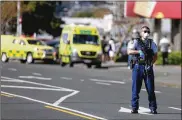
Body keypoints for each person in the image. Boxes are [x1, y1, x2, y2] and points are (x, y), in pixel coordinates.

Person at [127, 26, 158, 114]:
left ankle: (153, 107)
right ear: (141, 33)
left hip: (148, 67)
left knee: (151, 89)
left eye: (148, 31)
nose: (146, 33)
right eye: (144, 31)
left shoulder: (151, 43)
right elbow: (129, 51)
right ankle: (134, 107)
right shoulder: (136, 41)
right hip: (138, 67)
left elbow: (155, 55)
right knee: (135, 89)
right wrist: (138, 52)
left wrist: (151, 63)